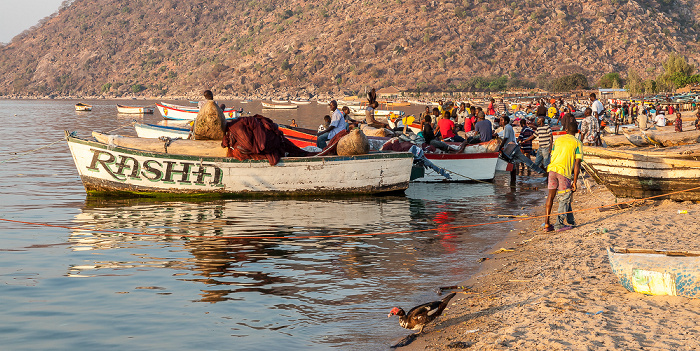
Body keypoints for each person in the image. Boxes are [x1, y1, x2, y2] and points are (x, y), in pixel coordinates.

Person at [544, 121, 582, 232]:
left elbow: (552, 153)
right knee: (564, 198)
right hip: (563, 172)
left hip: (552, 169)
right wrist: (574, 181)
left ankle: (547, 224)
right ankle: (559, 224)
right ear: (576, 131)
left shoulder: (558, 140)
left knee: (551, 196)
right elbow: (577, 163)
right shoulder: (577, 142)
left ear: (566, 130)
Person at [499, 116, 544, 184]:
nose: (500, 122)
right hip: (513, 147)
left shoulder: (507, 127)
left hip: (512, 147)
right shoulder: (508, 127)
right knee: (519, 162)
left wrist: (500, 147)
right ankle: (513, 180)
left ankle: (541, 172)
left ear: (505, 121)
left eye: (502, 120)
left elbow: (506, 138)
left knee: (525, 161)